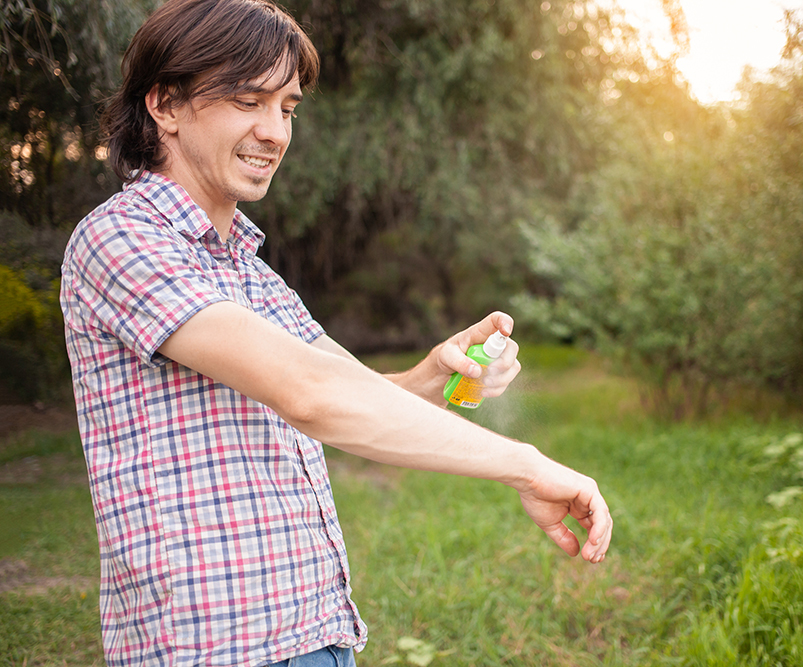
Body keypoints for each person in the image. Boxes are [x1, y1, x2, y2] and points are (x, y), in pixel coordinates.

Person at [59, 0, 613, 665]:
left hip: (314, 634)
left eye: (287, 108)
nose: (274, 132)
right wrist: (523, 463)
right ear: (165, 104)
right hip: (211, 649)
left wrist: (434, 374)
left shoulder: (253, 277)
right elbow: (312, 392)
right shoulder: (121, 239)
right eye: (248, 100)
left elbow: (350, 394)